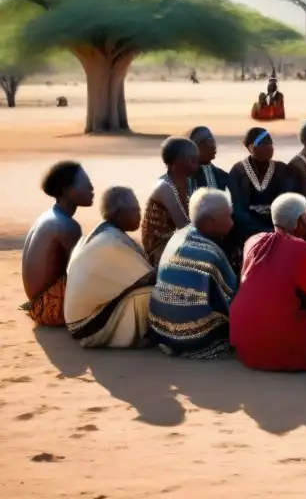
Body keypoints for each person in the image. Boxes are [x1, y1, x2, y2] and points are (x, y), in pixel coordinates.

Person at [230, 193, 306, 371]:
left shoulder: (252, 242)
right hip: (282, 349)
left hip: (246, 345)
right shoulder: (303, 250)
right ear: (299, 222)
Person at [149, 188, 238, 358]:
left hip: (160, 330)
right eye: (228, 216)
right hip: (190, 338)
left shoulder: (177, 236)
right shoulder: (210, 252)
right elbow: (232, 298)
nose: (232, 223)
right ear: (210, 222)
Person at [64, 187, 156, 349]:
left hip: (78, 321)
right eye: (136, 210)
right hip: (88, 327)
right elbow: (149, 277)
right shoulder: (111, 242)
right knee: (155, 292)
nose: (139, 216)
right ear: (120, 214)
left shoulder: (102, 231)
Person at [20, 162, 95, 327]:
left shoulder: (48, 216)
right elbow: (84, 269)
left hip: (38, 303)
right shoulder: (66, 226)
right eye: (86, 185)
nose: (92, 188)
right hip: (49, 308)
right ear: (67, 190)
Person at [228, 128, 294, 253]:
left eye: (271, 143)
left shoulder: (282, 169)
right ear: (252, 147)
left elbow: (286, 200)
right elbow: (238, 207)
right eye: (264, 143)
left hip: (275, 220)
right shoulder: (238, 171)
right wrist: (262, 229)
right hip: (249, 222)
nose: (270, 147)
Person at [141, 137, 199, 265]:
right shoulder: (164, 187)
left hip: (178, 241)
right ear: (176, 162)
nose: (196, 159)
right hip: (161, 248)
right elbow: (184, 226)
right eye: (191, 157)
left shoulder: (190, 181)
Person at [187, 126, 232, 192]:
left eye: (211, 140)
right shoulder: (181, 176)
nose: (212, 145)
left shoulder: (222, 176)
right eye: (204, 142)